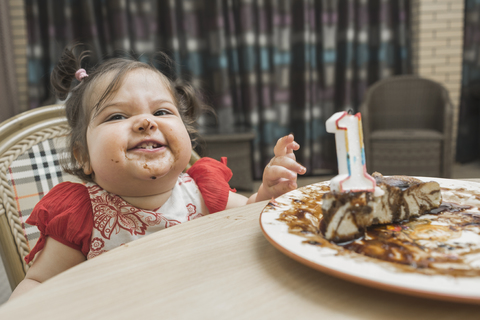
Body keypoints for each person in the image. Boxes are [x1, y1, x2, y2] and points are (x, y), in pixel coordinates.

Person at [9, 47, 306, 300]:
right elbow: (38, 284)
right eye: (117, 116)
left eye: (162, 112)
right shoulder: (81, 216)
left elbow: (250, 217)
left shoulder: (203, 190)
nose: (145, 122)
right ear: (83, 157)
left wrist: (269, 191)